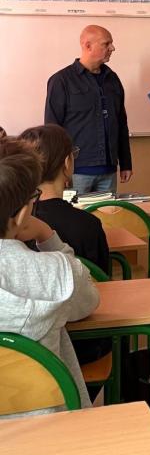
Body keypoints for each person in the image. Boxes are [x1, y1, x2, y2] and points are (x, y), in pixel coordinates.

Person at [0, 137, 100, 413]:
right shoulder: (57, 272)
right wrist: (47, 234)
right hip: (51, 425)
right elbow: (89, 300)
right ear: (23, 214)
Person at [19, 123, 111, 369]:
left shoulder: (13, 226)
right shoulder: (88, 225)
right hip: (85, 349)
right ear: (68, 163)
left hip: (25, 358)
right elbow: (105, 289)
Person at [45, 25, 132, 194]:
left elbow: (121, 123)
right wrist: (58, 171)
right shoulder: (61, 81)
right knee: (75, 212)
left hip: (109, 171)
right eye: (106, 44)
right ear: (87, 46)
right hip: (75, 171)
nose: (112, 48)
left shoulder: (112, 79)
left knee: (108, 213)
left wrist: (126, 163)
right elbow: (52, 130)